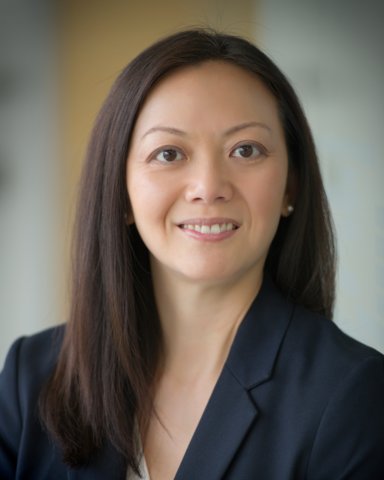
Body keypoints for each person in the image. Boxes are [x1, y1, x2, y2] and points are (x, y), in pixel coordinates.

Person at [0, 28, 383, 480]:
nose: (208, 187)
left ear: (290, 187)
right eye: (168, 153)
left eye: (246, 149)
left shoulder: (352, 393)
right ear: (121, 194)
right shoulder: (33, 375)